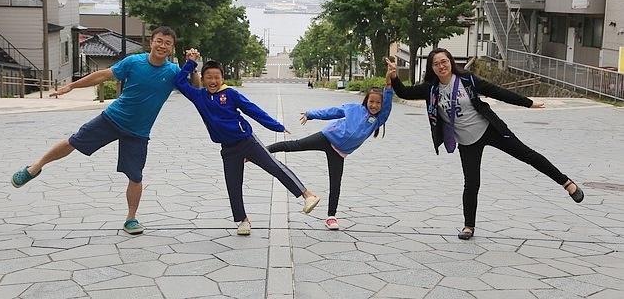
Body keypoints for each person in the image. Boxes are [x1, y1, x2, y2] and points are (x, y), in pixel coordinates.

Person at [11, 26, 199, 235]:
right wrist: (72, 86)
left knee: (135, 176)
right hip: (111, 118)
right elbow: (102, 76)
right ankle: (34, 168)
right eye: (159, 41)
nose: (162, 46)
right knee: (73, 142)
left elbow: (195, 90)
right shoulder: (134, 62)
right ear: (151, 42)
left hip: (138, 132)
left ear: (172, 47)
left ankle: (131, 219)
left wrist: (193, 67)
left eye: (167, 43)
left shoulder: (173, 72)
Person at [385, 49, 584, 240]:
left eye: (444, 61)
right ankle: (468, 226)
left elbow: (497, 92)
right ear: (432, 68)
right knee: (471, 183)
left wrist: (527, 103)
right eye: (436, 64)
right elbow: (404, 93)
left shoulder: (467, 80)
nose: (441, 66)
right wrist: (393, 76)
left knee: (528, 155)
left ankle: (568, 184)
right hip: (466, 141)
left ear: (451, 62)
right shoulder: (431, 89)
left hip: (490, 129)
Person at [174, 51, 320, 236]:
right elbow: (179, 82)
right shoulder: (199, 97)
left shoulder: (230, 94)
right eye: (208, 77)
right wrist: (190, 63)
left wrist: (276, 126)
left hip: (246, 141)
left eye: (216, 77)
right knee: (232, 185)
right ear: (202, 79)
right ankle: (242, 220)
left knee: (274, 167)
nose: (213, 81)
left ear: (222, 78)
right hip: (228, 149)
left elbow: (252, 109)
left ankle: (308, 195)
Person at [267, 59, 395, 230]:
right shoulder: (353, 108)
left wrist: (389, 80)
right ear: (366, 101)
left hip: (339, 152)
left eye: (378, 103)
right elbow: (332, 112)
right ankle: (262, 151)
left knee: (335, 183)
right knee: (295, 145)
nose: (374, 105)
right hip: (327, 137)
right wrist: (311, 114)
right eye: (371, 101)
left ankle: (331, 217)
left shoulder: (379, 119)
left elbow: (387, 99)